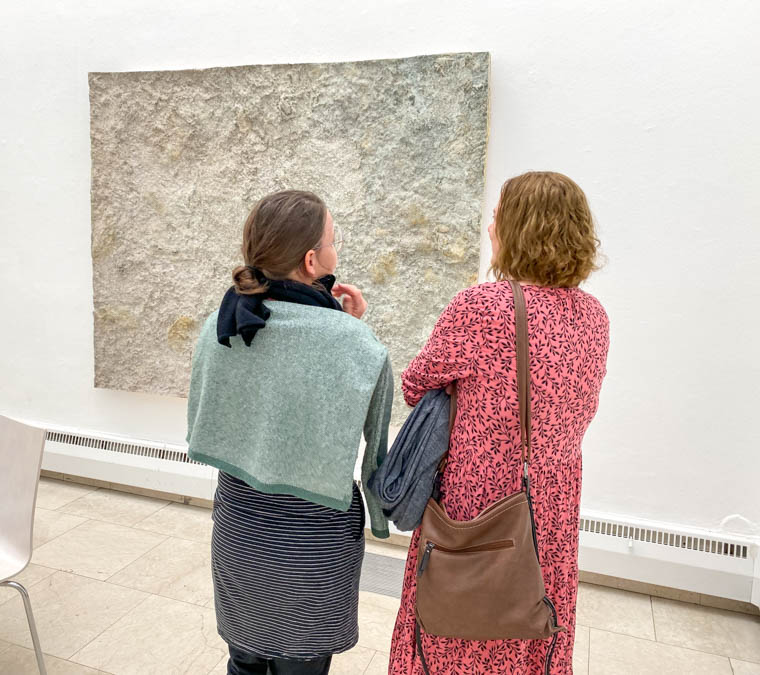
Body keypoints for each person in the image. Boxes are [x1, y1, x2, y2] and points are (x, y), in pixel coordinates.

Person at [388, 171, 610, 674]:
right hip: (550, 505)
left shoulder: (482, 307)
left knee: (459, 625)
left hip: (480, 503)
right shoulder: (594, 315)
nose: (491, 227)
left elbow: (415, 385)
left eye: (498, 216)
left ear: (519, 228)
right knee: (529, 621)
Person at [186, 189, 393, 675]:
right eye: (334, 240)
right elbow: (374, 453)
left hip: (240, 529)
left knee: (243, 660)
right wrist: (348, 331)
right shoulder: (360, 346)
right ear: (311, 261)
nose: (337, 249)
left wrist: (341, 327)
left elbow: (206, 415)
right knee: (302, 664)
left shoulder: (222, 326)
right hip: (312, 543)